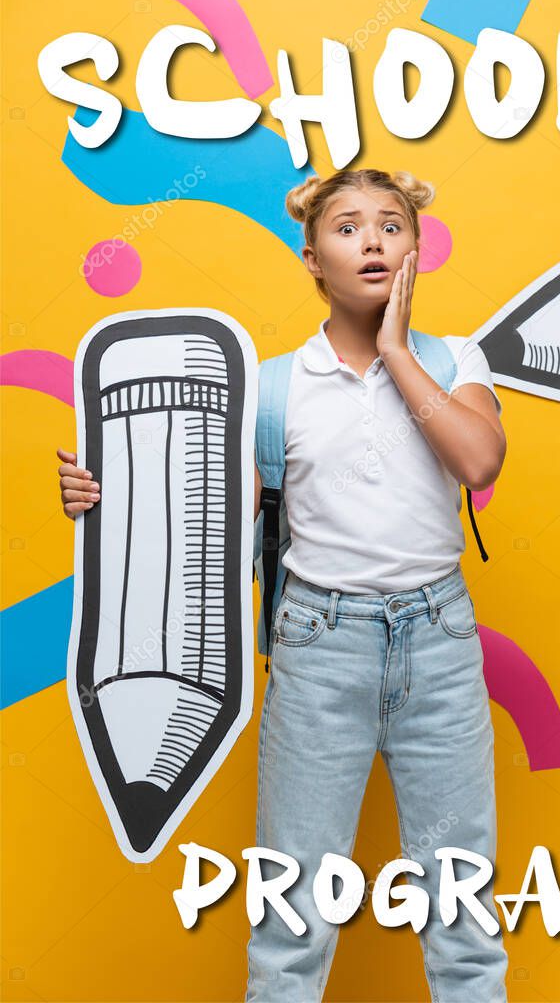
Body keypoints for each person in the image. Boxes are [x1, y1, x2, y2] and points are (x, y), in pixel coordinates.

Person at [58, 167, 509, 1002]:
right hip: (317, 645)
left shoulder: (454, 359)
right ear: (310, 256)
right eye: (347, 228)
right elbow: (196, 518)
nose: (372, 241)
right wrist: (99, 499)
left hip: (439, 644)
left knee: (462, 906)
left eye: (390, 226)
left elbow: (478, 461)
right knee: (293, 909)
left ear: (417, 249)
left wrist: (397, 354)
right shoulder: (267, 387)